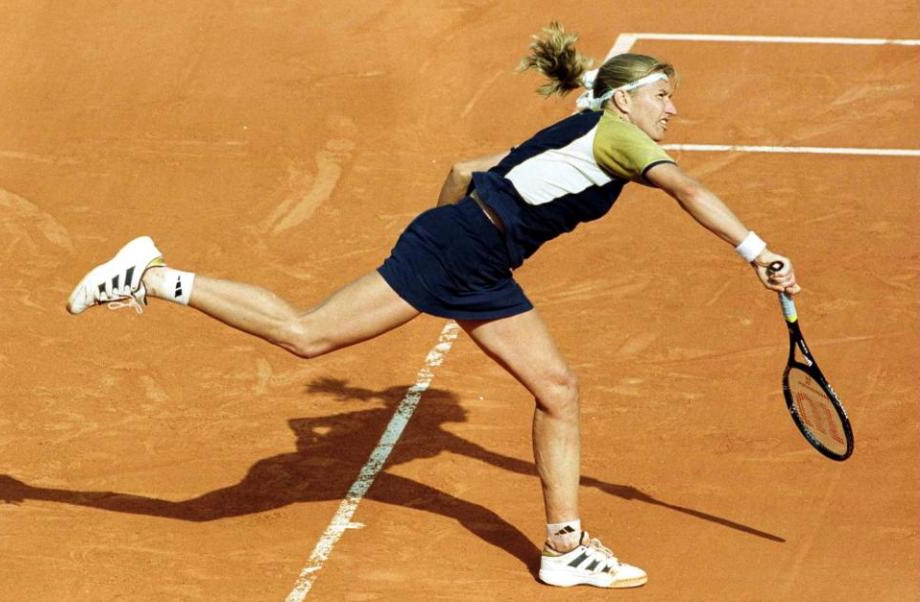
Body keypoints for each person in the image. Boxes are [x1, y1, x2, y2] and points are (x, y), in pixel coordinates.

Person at [66, 22, 799, 589]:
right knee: (306, 336)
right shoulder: (619, 137)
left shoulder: (582, 128)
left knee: (558, 390)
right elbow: (691, 191)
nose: (675, 108)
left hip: (467, 254)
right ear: (625, 98)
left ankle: (565, 548)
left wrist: (446, 237)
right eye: (663, 94)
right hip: (464, 255)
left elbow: (465, 169)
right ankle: (154, 276)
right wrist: (757, 251)